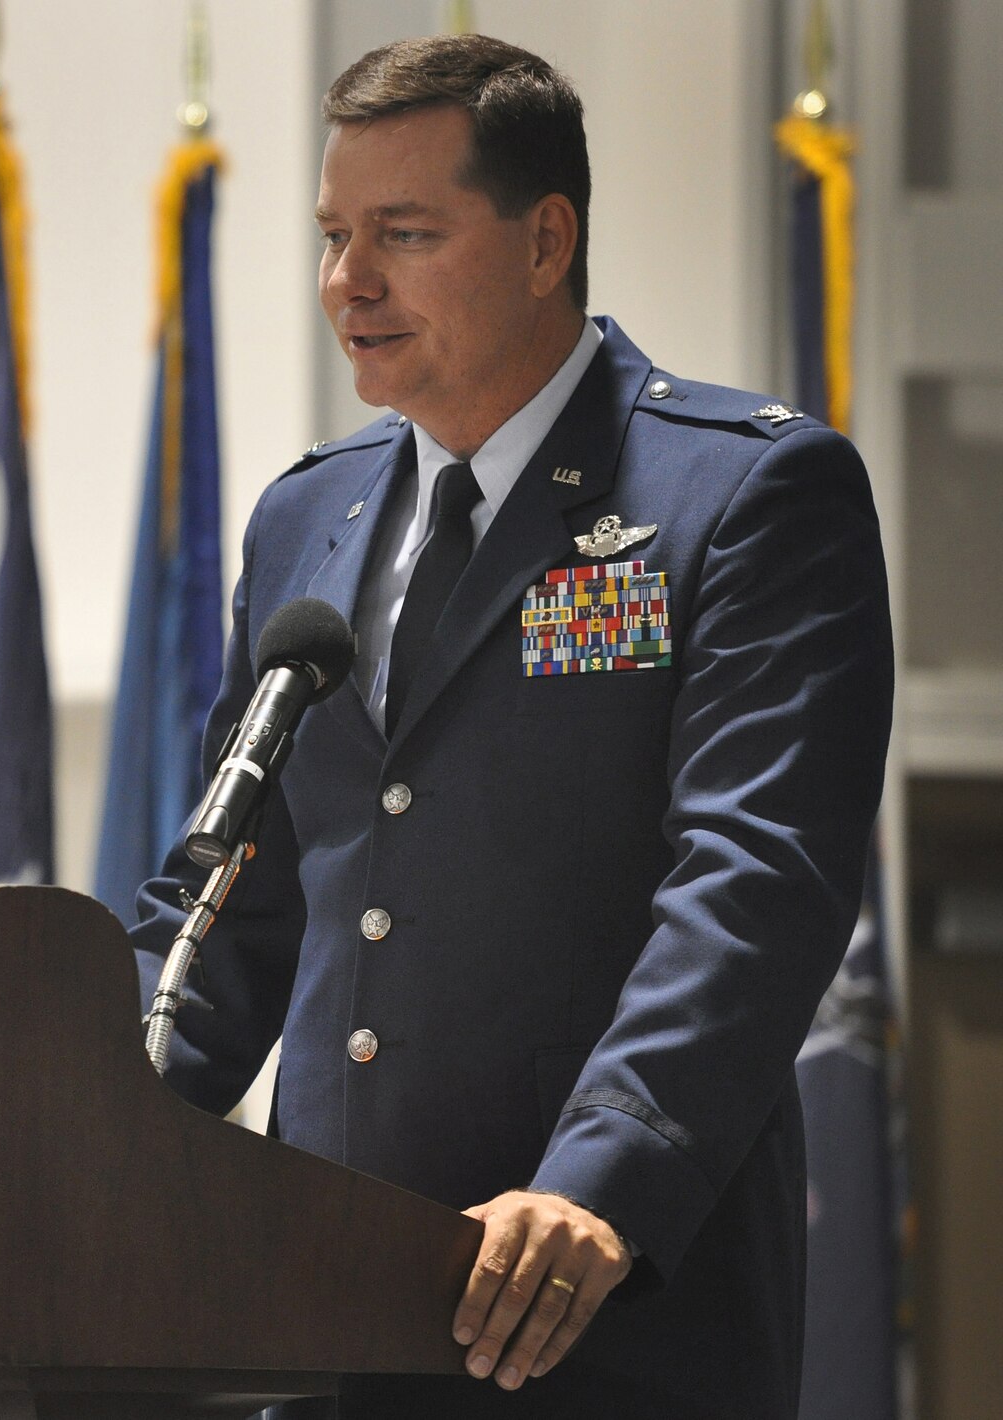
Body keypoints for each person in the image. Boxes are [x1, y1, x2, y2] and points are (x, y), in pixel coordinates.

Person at [131, 33, 892, 1420]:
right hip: (332, 1309)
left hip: (602, 1308)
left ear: (548, 243)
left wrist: (596, 1180)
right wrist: (70, 1124)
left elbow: (753, 885)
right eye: (333, 236)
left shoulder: (744, 496)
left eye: (404, 234)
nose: (346, 283)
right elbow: (232, 900)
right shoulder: (307, 517)